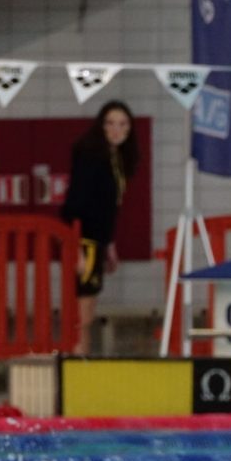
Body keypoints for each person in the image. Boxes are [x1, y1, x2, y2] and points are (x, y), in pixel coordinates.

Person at [60, 100, 140, 357]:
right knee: (82, 313)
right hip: (84, 241)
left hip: (97, 241)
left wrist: (110, 245)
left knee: (89, 308)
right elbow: (74, 204)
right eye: (110, 124)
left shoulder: (116, 160)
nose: (116, 130)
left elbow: (108, 209)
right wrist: (76, 249)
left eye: (122, 124)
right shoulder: (91, 156)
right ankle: (76, 364)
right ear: (101, 126)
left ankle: (81, 360)